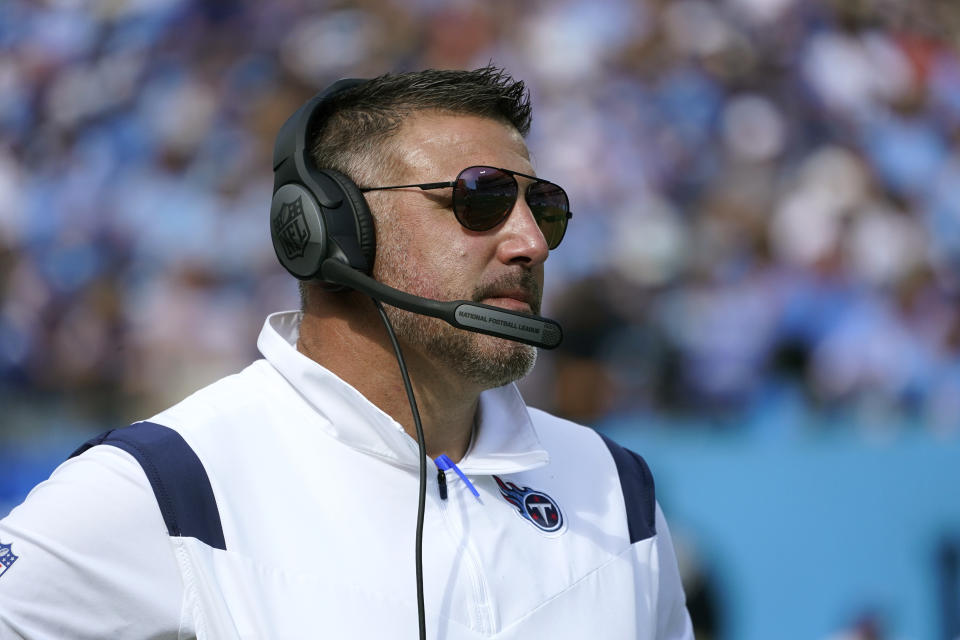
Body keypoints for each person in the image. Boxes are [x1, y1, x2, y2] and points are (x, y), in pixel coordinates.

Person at [0, 66, 693, 639]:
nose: (531, 243)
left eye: (542, 209)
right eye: (479, 199)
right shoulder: (167, 485)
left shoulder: (616, 488)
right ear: (331, 231)